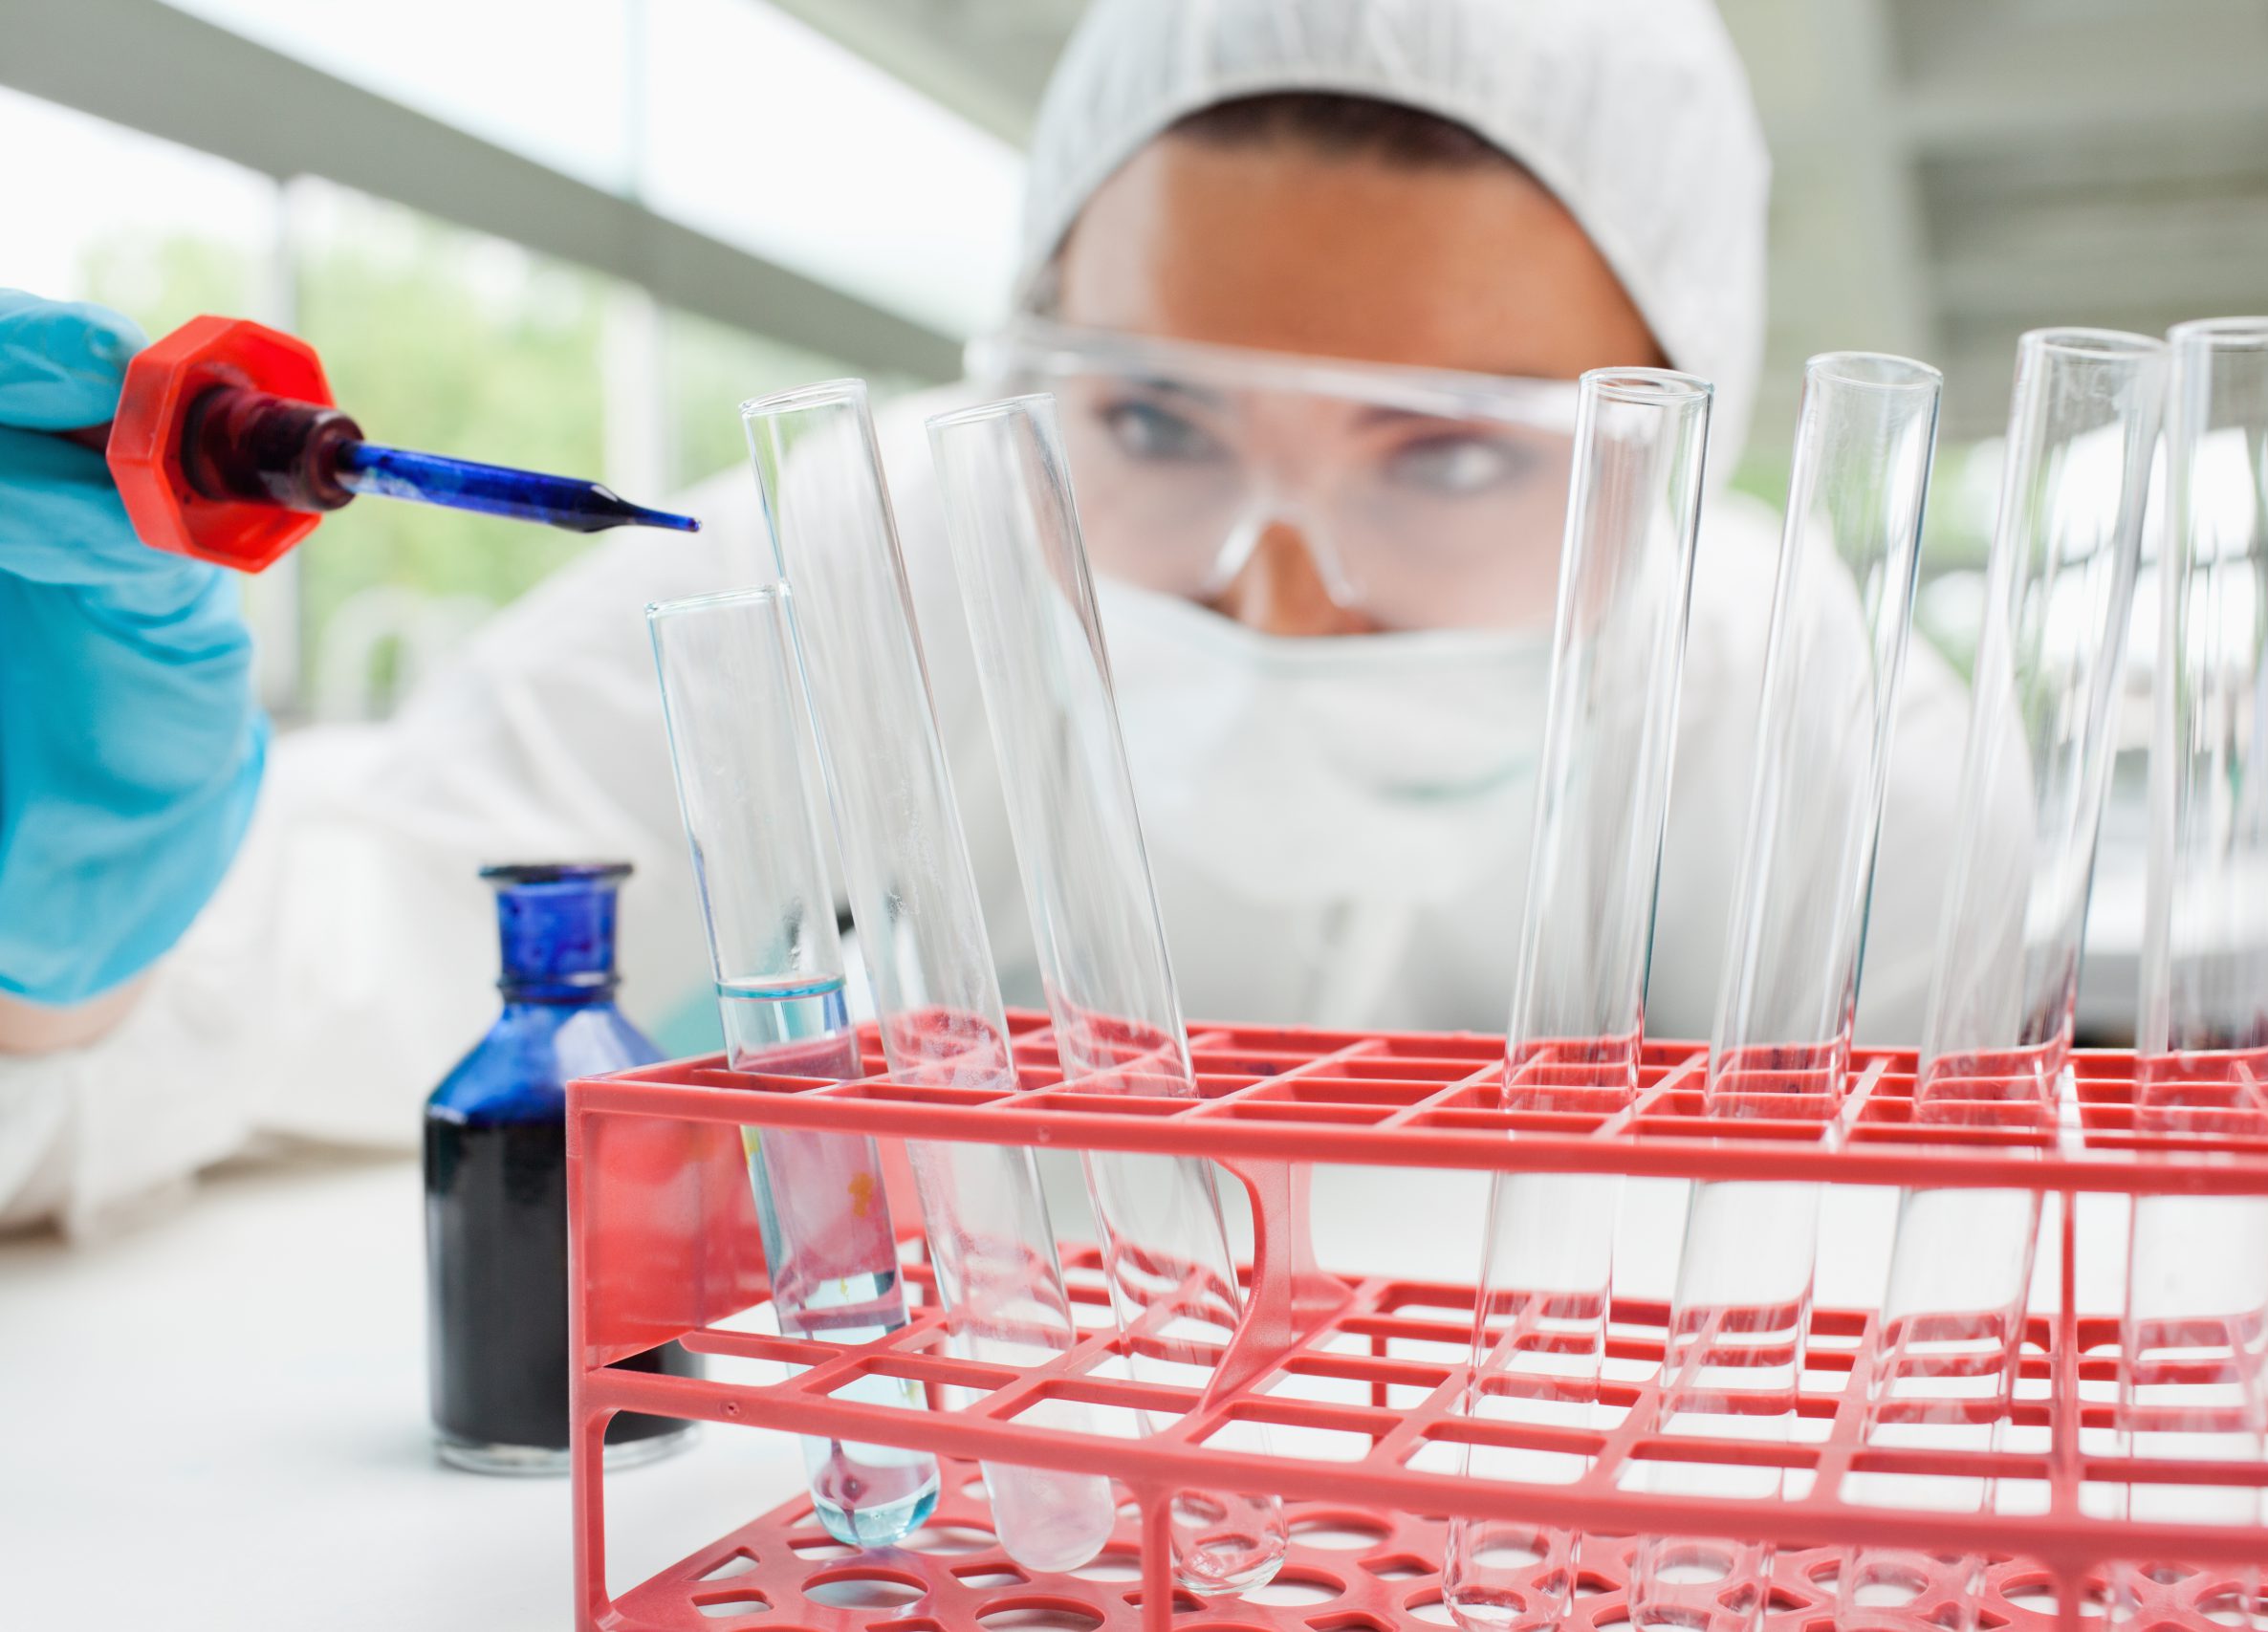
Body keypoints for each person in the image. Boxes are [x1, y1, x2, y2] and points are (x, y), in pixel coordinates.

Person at [0, 0, 1984, 1234]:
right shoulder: (887, 546)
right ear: (1028, 362)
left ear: (1669, 427)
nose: (1274, 594)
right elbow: (347, 966)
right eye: (1152, 420)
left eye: (1448, 459)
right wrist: (54, 929)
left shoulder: (1825, 728)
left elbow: (1980, 1310)